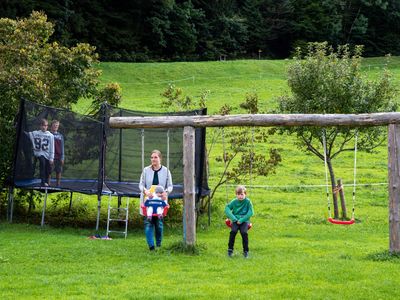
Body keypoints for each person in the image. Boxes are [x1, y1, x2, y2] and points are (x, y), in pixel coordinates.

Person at [139, 149, 173, 251]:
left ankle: (158, 244)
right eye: (152, 157)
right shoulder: (145, 170)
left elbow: (170, 186)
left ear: (160, 158)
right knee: (148, 223)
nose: (153, 159)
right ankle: (151, 246)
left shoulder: (166, 171)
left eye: (155, 157)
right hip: (148, 200)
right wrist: (145, 191)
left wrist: (166, 193)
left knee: (159, 224)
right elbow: (141, 184)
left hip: (160, 201)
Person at [225, 185, 254, 258]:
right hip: (235, 220)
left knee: (244, 233)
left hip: (244, 220)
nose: (240, 196)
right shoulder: (234, 202)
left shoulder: (248, 202)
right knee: (233, 232)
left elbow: (251, 212)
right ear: (236, 195)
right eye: (238, 194)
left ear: (245, 194)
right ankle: (230, 250)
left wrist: (242, 220)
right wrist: (233, 218)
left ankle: (246, 251)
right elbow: (227, 208)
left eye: (242, 194)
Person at [27, 118, 54, 187]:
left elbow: (52, 147)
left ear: (47, 126)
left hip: (47, 154)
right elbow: (27, 134)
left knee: (48, 169)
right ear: (40, 126)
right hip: (39, 153)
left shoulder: (50, 135)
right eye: (43, 125)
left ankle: (46, 181)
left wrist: (51, 158)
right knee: (42, 164)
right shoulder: (35, 133)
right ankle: (42, 182)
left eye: (46, 125)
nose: (44, 127)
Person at [49, 120, 64, 187]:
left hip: (58, 155)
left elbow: (62, 147)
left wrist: (62, 157)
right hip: (50, 155)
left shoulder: (60, 136)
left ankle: (58, 185)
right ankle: (48, 184)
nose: (56, 127)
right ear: (51, 126)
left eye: (57, 125)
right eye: (54, 125)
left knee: (59, 170)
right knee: (49, 170)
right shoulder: (48, 134)